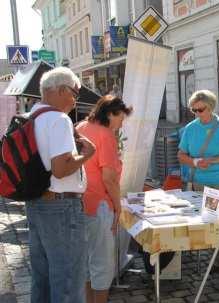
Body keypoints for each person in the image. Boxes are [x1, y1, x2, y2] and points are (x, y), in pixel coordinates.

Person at [26, 67, 95, 302]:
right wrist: (87, 154)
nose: (75, 101)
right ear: (61, 90)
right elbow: (61, 169)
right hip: (62, 206)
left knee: (42, 278)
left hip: (36, 202)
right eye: (74, 94)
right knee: (68, 280)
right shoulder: (58, 119)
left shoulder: (29, 116)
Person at [178, 89, 219, 276]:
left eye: (201, 109)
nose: (197, 113)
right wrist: (195, 162)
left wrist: (215, 160)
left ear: (211, 107)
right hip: (201, 183)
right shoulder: (190, 128)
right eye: (194, 110)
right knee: (209, 223)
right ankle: (215, 261)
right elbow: (181, 155)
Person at [76, 95, 132, 303]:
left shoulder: (81, 126)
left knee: (88, 263)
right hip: (99, 203)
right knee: (102, 264)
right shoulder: (105, 134)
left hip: (81, 201)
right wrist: (118, 207)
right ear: (110, 114)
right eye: (121, 118)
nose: (122, 123)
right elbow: (109, 178)